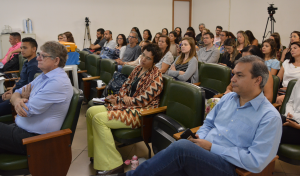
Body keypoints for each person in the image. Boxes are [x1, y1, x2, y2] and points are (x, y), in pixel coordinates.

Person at [124, 55, 282, 176]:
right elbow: (209, 123)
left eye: (239, 75)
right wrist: (200, 139)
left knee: (181, 149)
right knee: (170, 165)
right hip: (205, 152)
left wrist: (212, 147)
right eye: (233, 74)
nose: (232, 79)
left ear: (257, 80)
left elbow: (256, 161)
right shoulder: (227, 98)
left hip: (230, 167)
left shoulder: (269, 117)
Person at [86, 44, 163, 175]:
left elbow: (142, 101)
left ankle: (114, 164)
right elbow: (124, 87)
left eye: (148, 58)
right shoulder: (138, 69)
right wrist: (123, 97)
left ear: (154, 61)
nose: (143, 59)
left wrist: (123, 100)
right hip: (126, 106)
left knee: (99, 119)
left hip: (141, 113)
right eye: (143, 55)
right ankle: (97, 154)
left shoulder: (157, 77)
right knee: (90, 112)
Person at [0, 41, 73, 155]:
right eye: (39, 54)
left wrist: (20, 100)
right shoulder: (44, 76)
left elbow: (26, 111)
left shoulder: (57, 82)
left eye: (43, 56)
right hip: (23, 131)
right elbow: (18, 92)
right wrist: (19, 100)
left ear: (56, 60)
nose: (38, 58)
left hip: (35, 139)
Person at [0, 37, 42, 116]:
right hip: (16, 92)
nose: (22, 50)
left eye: (25, 48)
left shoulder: (34, 66)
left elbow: (30, 90)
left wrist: (13, 96)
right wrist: (12, 89)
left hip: (20, 99)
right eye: (21, 48)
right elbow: (21, 79)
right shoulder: (27, 62)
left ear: (34, 49)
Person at [280, 79, 300, 145]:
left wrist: (297, 126)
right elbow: (290, 102)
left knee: (272, 130)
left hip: (298, 127)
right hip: (293, 119)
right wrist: (289, 114)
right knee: (269, 119)